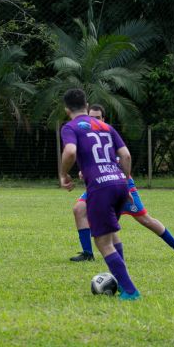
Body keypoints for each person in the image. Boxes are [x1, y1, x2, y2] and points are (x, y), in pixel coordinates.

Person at [69, 104, 174, 262]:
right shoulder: (84, 136)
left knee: (145, 219)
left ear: (104, 119)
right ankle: (87, 253)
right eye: (91, 118)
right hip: (99, 185)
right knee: (79, 209)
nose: (94, 121)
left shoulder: (109, 134)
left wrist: (124, 184)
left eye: (97, 118)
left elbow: (123, 158)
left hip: (120, 183)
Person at [59, 89, 140, 300]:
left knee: (103, 242)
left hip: (100, 188)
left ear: (66, 109)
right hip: (119, 183)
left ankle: (130, 291)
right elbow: (126, 155)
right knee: (110, 234)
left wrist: (63, 174)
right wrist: (125, 181)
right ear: (86, 106)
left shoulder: (70, 127)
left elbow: (70, 151)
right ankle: (122, 282)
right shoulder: (106, 126)